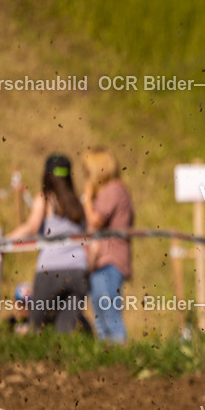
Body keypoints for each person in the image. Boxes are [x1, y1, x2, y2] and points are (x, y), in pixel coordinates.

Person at [7, 154, 90, 334]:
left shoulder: (45, 198)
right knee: (65, 331)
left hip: (50, 269)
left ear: (46, 175)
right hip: (79, 271)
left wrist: (3, 242)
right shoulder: (78, 204)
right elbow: (87, 240)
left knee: (34, 326)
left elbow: (31, 226)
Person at [81, 147, 134, 344]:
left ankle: (121, 360)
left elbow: (96, 221)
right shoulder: (110, 191)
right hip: (100, 263)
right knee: (101, 321)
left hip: (109, 263)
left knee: (110, 317)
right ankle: (108, 364)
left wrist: (87, 199)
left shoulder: (114, 190)